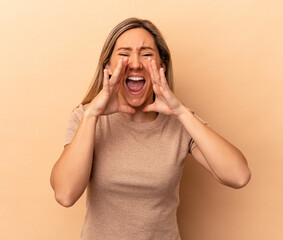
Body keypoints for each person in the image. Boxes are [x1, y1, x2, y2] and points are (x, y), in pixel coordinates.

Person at [50, 17, 251, 240]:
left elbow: (239, 176)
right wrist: (92, 115)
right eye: (124, 54)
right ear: (107, 66)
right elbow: (65, 194)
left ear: (162, 66)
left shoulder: (180, 121)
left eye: (146, 54)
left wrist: (181, 112)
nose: (135, 63)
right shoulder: (86, 117)